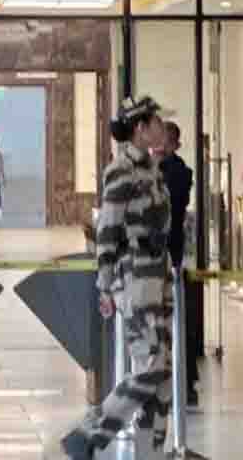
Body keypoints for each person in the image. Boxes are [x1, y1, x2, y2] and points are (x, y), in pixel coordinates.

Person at [60, 95, 173, 460]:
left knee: (163, 379)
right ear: (140, 129)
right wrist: (104, 284)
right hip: (137, 282)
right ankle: (88, 433)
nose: (161, 128)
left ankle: (151, 453)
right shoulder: (120, 171)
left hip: (159, 280)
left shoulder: (152, 170)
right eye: (156, 122)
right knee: (152, 366)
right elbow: (107, 231)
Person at [157, 121, 199, 409]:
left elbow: (168, 207)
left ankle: (183, 382)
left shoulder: (177, 172)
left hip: (168, 255)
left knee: (174, 323)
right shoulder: (157, 169)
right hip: (160, 255)